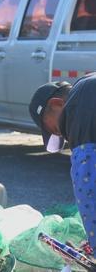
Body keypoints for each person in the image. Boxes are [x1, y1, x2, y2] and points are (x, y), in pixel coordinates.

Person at [29, 73, 96, 255]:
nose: (64, 135)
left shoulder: (78, 109)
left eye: (56, 130)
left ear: (56, 104)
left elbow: (88, 191)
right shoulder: (89, 80)